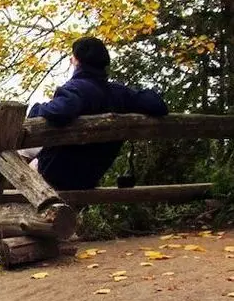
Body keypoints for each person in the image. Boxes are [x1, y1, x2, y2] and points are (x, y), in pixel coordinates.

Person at [23, 37, 168, 190]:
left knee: (14, 149)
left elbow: (60, 111)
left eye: (72, 57)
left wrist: (35, 109)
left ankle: (0, 198)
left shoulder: (76, 89)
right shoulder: (120, 94)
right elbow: (158, 105)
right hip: (88, 178)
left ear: (77, 61)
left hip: (55, 175)